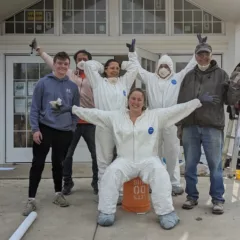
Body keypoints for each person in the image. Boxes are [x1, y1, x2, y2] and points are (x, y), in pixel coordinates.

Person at [50, 88, 216, 229]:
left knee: (161, 175)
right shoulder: (116, 116)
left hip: (148, 159)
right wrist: (71, 109)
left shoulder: (155, 116)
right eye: (133, 98)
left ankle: (166, 212)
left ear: (144, 102)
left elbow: (177, 110)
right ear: (128, 100)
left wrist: (197, 101)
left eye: (139, 99)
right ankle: (106, 211)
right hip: (125, 160)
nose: (136, 102)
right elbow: (93, 113)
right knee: (110, 174)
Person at [177, 34, 240, 214]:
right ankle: (191, 197)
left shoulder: (221, 75)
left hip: (213, 126)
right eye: (200, 54)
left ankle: (218, 199)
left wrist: (235, 87)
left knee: (215, 165)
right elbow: (182, 101)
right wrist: (180, 125)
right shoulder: (189, 76)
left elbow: (229, 100)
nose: (203, 57)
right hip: (191, 126)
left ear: (211, 55)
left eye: (207, 54)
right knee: (190, 165)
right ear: (195, 56)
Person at [129, 38, 197, 195]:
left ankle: (174, 183)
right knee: (154, 152)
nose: (164, 68)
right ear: (157, 67)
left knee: (172, 152)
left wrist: (197, 50)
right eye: (161, 65)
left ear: (171, 67)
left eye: (167, 66)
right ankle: (155, 181)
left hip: (171, 121)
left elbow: (190, 67)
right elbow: (137, 69)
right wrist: (133, 53)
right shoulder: (150, 78)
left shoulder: (177, 78)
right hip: (153, 120)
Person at [30, 38, 98, 195]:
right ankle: (67, 183)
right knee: (66, 156)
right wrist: (40, 50)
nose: (82, 61)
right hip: (71, 123)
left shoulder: (95, 79)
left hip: (90, 123)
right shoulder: (68, 74)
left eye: (85, 59)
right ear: (74, 62)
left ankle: (96, 183)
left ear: (90, 62)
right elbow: (51, 61)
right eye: (79, 59)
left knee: (96, 155)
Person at [22, 52, 80, 216]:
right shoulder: (43, 83)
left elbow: (75, 110)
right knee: (38, 163)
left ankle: (58, 194)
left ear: (69, 66)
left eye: (65, 64)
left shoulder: (73, 87)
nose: (62, 66)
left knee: (58, 164)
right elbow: (34, 108)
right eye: (59, 63)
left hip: (64, 131)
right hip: (44, 128)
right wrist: (35, 129)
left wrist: (73, 127)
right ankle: (31, 199)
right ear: (54, 64)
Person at [77, 39, 138, 191]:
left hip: (121, 126)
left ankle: (121, 191)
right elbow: (90, 66)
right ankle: (104, 193)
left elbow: (134, 68)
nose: (115, 70)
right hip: (103, 126)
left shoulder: (123, 83)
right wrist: (99, 65)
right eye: (112, 67)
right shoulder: (98, 82)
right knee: (104, 161)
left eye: (117, 68)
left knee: (123, 159)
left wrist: (129, 57)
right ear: (105, 70)